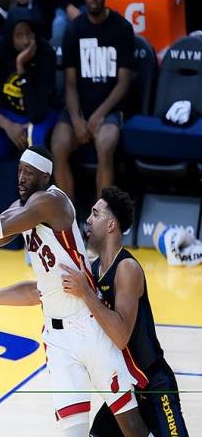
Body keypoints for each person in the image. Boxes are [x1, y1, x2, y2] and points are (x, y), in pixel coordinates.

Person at [0, 146, 151, 437]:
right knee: (72, 433)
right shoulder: (20, 210)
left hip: (89, 324)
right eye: (19, 171)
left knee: (132, 427)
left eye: (29, 173)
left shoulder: (52, 202)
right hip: (57, 339)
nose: (21, 178)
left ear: (45, 177)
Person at [60, 187, 189, 436]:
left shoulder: (127, 268)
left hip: (153, 383)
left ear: (111, 225)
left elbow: (120, 336)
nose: (88, 220)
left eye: (95, 214)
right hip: (126, 383)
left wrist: (86, 292)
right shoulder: (94, 269)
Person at [0, 8, 57, 200]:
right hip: (9, 116)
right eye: (19, 35)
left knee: (35, 134)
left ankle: (36, 201)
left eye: (29, 34)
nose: (25, 40)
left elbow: (37, 113)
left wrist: (21, 68)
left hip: (41, 114)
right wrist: (8, 125)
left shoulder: (46, 53)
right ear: (10, 37)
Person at [50, 0, 134, 202]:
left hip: (109, 109)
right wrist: (76, 119)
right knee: (58, 146)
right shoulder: (73, 30)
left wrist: (99, 115)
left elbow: (123, 83)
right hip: (78, 108)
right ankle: (68, 216)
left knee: (104, 147)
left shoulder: (122, 28)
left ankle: (100, 216)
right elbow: (70, 84)